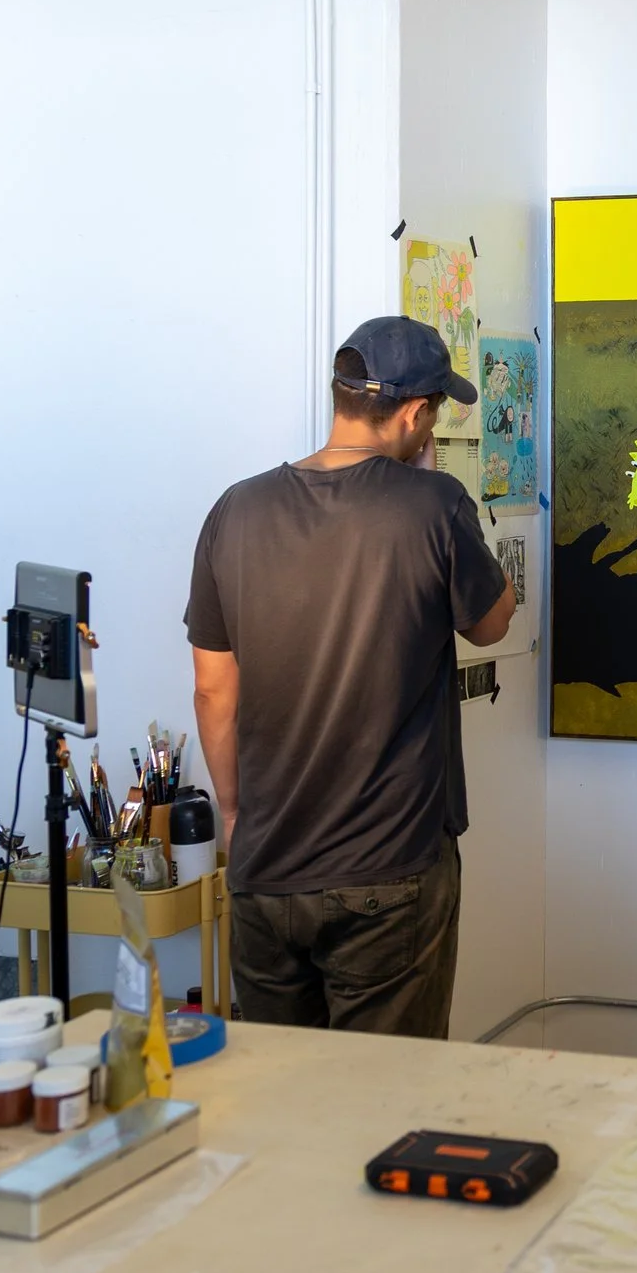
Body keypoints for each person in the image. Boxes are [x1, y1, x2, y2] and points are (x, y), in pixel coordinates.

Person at [186, 316, 516, 1036]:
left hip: (267, 874)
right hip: (391, 871)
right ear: (415, 414)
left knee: (288, 1102)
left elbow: (213, 690)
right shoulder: (433, 507)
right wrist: (435, 494)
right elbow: (494, 623)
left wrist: (237, 814)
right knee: (386, 1107)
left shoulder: (234, 511)